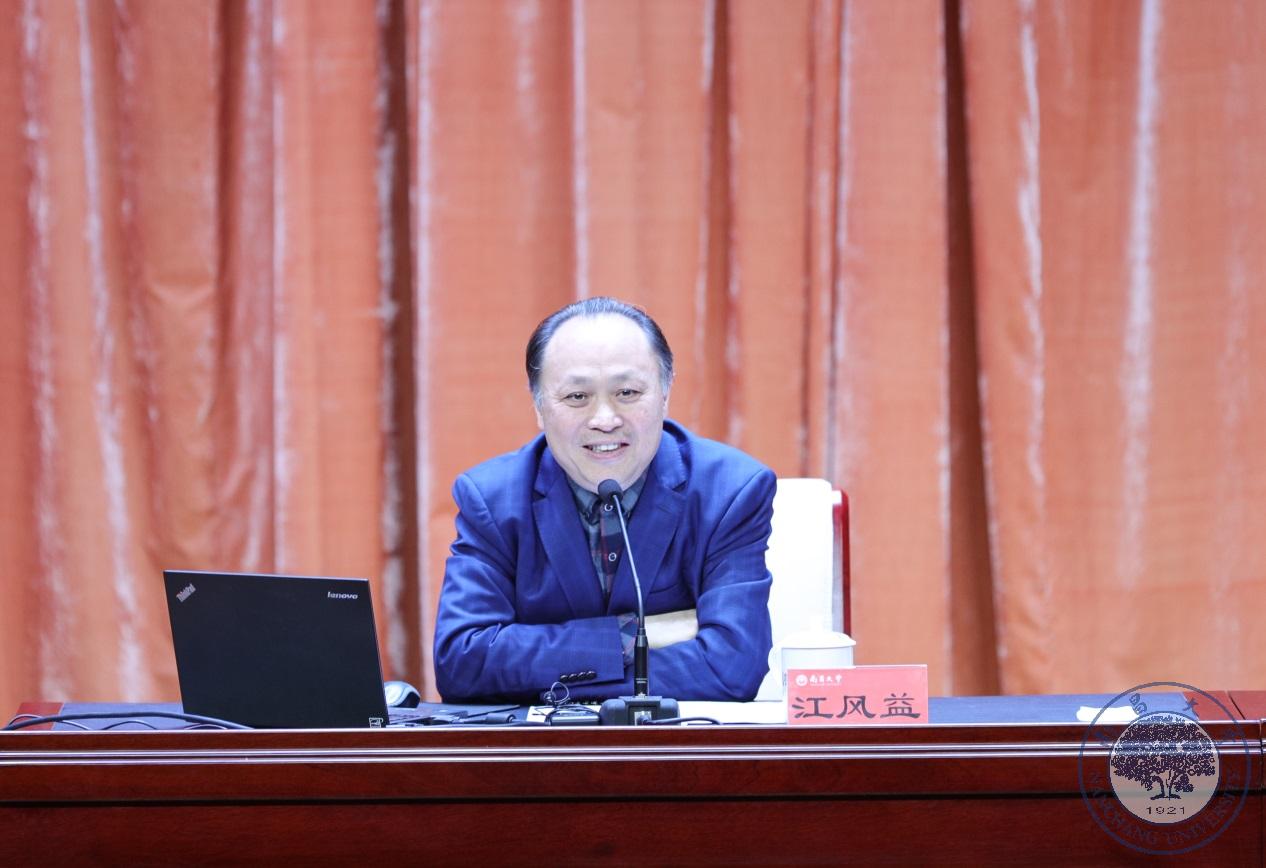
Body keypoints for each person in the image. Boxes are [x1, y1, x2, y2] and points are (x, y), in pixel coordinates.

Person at [433, 297, 775, 704]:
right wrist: (628, 637)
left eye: (627, 392)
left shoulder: (730, 491)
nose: (605, 419)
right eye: (577, 397)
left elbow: (732, 668)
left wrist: (543, 679)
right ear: (539, 408)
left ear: (665, 395)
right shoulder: (492, 498)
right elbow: (462, 661)